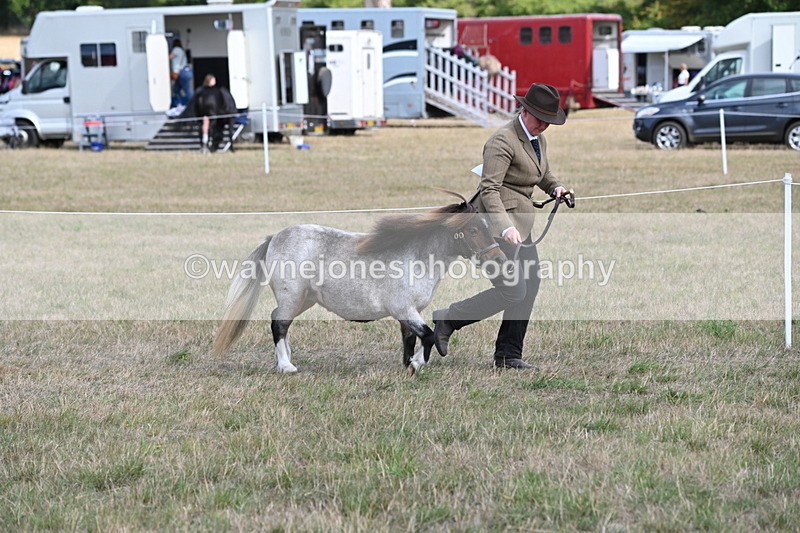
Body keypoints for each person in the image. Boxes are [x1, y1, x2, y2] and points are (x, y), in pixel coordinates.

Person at [432, 83, 570, 370]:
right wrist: (505, 227)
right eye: (540, 118)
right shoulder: (502, 141)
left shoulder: (537, 138)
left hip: (522, 228)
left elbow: (541, 173)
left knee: (529, 286)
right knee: (512, 290)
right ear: (525, 110)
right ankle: (447, 318)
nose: (544, 125)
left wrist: (555, 187)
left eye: (549, 120)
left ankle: (508, 354)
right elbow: (489, 189)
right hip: (492, 232)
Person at [192, 73, 236, 152]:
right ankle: (208, 142)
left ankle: (204, 142)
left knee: (205, 123)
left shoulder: (200, 92)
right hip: (214, 117)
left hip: (205, 118)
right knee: (210, 124)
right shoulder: (220, 91)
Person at [170, 39, 193, 107]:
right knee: (176, 89)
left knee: (187, 90)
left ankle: (193, 104)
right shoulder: (182, 51)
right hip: (186, 71)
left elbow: (171, 56)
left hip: (182, 73)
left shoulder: (176, 49)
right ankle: (180, 104)